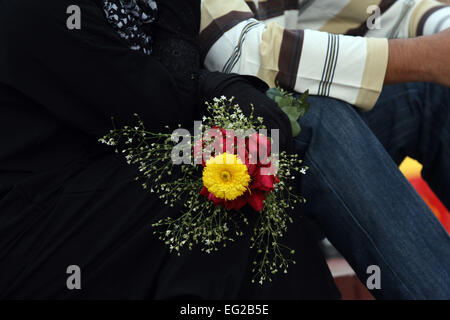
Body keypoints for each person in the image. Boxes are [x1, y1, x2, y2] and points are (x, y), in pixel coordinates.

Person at [0, 0, 341, 299]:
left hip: (106, 173)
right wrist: (221, 87)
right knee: (227, 183)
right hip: (34, 222)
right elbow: (159, 113)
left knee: (256, 159)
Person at [200, 0, 450, 299]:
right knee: (313, 115)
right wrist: (421, 58)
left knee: (431, 88)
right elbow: (244, 54)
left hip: (280, 161)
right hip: (203, 189)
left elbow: (385, 13)